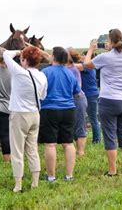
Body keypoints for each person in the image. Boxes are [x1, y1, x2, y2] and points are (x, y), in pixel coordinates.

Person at [83, 29, 122, 176]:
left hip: (109, 99)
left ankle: (112, 171)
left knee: (110, 135)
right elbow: (121, 53)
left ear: (110, 41)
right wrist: (112, 47)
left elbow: (86, 64)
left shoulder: (105, 57)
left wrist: (91, 49)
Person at [3, 45, 48, 193]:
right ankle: (35, 183)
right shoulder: (42, 76)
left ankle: (18, 185)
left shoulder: (18, 73)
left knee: (17, 151)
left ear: (24, 60)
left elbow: (5, 54)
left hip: (19, 114)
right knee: (32, 149)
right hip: (35, 114)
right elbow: (42, 96)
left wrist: (18, 52)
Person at [39, 47, 80, 183]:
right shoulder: (70, 73)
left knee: (50, 144)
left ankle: (51, 177)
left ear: (54, 57)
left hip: (49, 109)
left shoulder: (45, 72)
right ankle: (69, 175)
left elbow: (39, 91)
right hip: (68, 110)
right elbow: (77, 92)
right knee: (68, 143)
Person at [67, 48, 88, 155]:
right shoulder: (66, 68)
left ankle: (80, 151)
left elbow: (77, 87)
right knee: (73, 125)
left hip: (78, 99)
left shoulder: (74, 68)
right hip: (72, 99)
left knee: (80, 124)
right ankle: (76, 149)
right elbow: (48, 57)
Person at [80, 51, 101, 144]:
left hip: (90, 94)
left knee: (93, 118)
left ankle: (97, 140)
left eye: (84, 55)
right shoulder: (90, 66)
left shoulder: (87, 66)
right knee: (92, 118)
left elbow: (77, 66)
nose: (81, 56)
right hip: (91, 93)